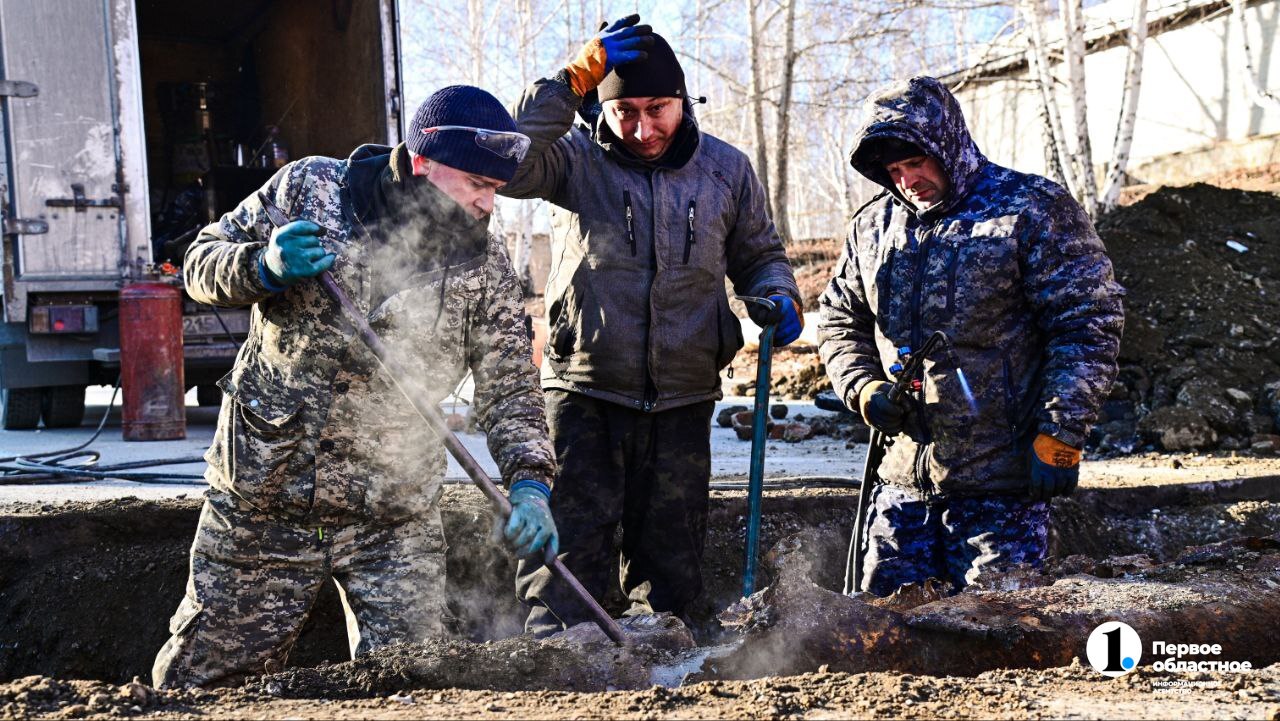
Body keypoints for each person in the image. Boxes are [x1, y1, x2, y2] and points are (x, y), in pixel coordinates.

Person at [153, 86, 559, 688]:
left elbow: (511, 391)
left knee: (414, 685)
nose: (487, 203)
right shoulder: (309, 190)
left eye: (495, 188)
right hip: (265, 502)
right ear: (423, 161)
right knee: (203, 684)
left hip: (392, 517)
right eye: (477, 183)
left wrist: (530, 484)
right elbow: (199, 264)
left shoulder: (485, 266)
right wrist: (262, 266)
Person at [501, 16, 803, 635]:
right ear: (602, 107)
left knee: (671, 574)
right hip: (584, 393)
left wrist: (776, 293)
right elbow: (506, 159)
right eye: (625, 112)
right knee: (567, 567)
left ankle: (666, 667)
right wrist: (569, 82)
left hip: (683, 397)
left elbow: (759, 254)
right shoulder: (572, 160)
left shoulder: (726, 170)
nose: (643, 129)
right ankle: (560, 666)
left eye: (657, 109)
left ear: (683, 100)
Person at [818, 76, 1124, 596]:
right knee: (879, 627)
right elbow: (838, 317)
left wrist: (1063, 432)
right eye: (893, 171)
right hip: (902, 487)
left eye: (916, 162)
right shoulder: (872, 228)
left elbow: (1087, 323)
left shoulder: (1031, 209)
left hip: (1002, 493)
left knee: (1000, 629)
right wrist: (863, 388)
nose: (907, 180)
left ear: (948, 145)